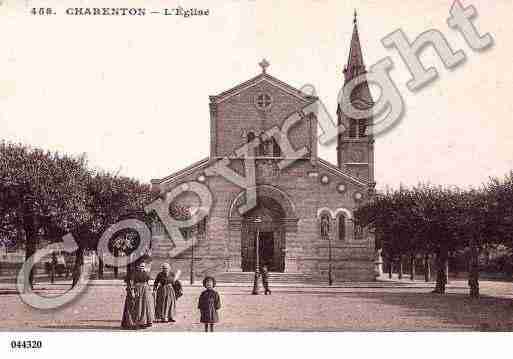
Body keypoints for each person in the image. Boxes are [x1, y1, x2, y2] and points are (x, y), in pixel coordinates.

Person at [122, 262, 154, 329]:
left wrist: (149, 289)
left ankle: (143, 322)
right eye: (141, 266)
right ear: (138, 266)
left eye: (143, 266)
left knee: (144, 306)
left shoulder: (145, 273)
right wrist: (132, 292)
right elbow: (131, 283)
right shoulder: (133, 273)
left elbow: (147, 282)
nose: (142, 267)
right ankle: (134, 323)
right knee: (136, 306)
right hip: (137, 290)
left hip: (145, 291)